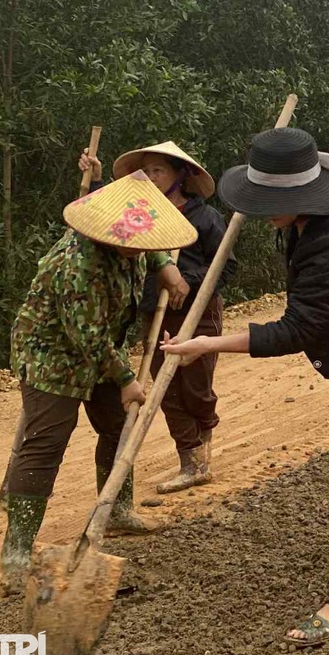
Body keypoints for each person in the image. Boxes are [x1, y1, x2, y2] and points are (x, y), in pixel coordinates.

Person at [161, 127, 329, 647]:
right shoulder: (313, 214)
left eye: (272, 201)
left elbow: (295, 330)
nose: (263, 211)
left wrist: (208, 344)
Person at [1, 170, 197, 595]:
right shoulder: (78, 264)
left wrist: (164, 265)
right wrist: (126, 379)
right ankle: (16, 552)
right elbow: (86, 336)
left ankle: (118, 509)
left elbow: (148, 253)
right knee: (46, 443)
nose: (139, 250)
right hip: (51, 355)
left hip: (101, 347)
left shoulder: (133, 242)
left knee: (118, 425)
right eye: (135, 246)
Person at [80, 142, 237, 493]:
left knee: (196, 387)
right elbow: (103, 220)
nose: (151, 178)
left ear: (180, 176)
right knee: (166, 389)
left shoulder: (205, 218)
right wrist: (96, 182)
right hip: (154, 312)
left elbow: (225, 266)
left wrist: (189, 282)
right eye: (146, 171)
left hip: (198, 313)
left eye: (159, 171)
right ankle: (191, 460)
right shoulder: (141, 215)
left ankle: (203, 444)